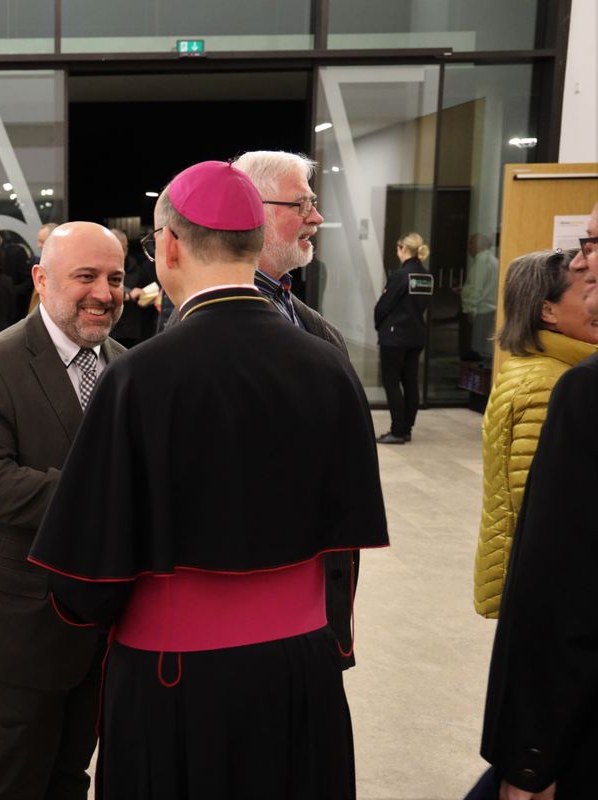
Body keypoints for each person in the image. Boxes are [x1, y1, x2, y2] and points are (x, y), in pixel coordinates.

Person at [29, 162, 388, 798]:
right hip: (304, 666)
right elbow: (346, 538)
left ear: (167, 245)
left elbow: (85, 580)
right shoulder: (329, 365)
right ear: (255, 245)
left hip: (177, 676)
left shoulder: (140, 376)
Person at [0, 221, 126, 799]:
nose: (104, 292)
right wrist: (104, 494)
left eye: (116, 278)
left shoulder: (127, 365)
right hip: (17, 626)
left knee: (71, 777)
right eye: (86, 276)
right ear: (41, 279)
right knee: (12, 781)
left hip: (102, 623)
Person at [479, 203, 598, 800]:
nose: (586, 266)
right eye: (584, 279)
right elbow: (557, 558)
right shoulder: (554, 386)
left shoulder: (547, 374)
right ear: (548, 310)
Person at [230, 149, 357, 669]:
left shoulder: (306, 320)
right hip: (262, 604)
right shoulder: (214, 329)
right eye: (301, 203)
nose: (317, 217)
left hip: (311, 590)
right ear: (251, 210)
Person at [473, 248, 598, 619]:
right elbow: (550, 508)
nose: (595, 303)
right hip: (548, 588)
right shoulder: (548, 383)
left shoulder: (540, 369)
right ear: (548, 311)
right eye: (587, 290)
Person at [374, 231, 433, 444]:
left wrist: (379, 325)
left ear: (402, 249)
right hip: (416, 335)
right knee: (410, 382)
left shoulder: (401, 275)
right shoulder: (426, 276)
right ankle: (407, 428)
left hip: (395, 337)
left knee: (391, 382)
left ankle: (397, 431)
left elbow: (383, 305)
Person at [461, 233, 500, 362]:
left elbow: (477, 289)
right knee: (485, 347)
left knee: (479, 348)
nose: (468, 247)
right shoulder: (493, 260)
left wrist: (470, 309)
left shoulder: (482, 261)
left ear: (479, 245)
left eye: (471, 243)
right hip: (490, 308)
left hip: (481, 310)